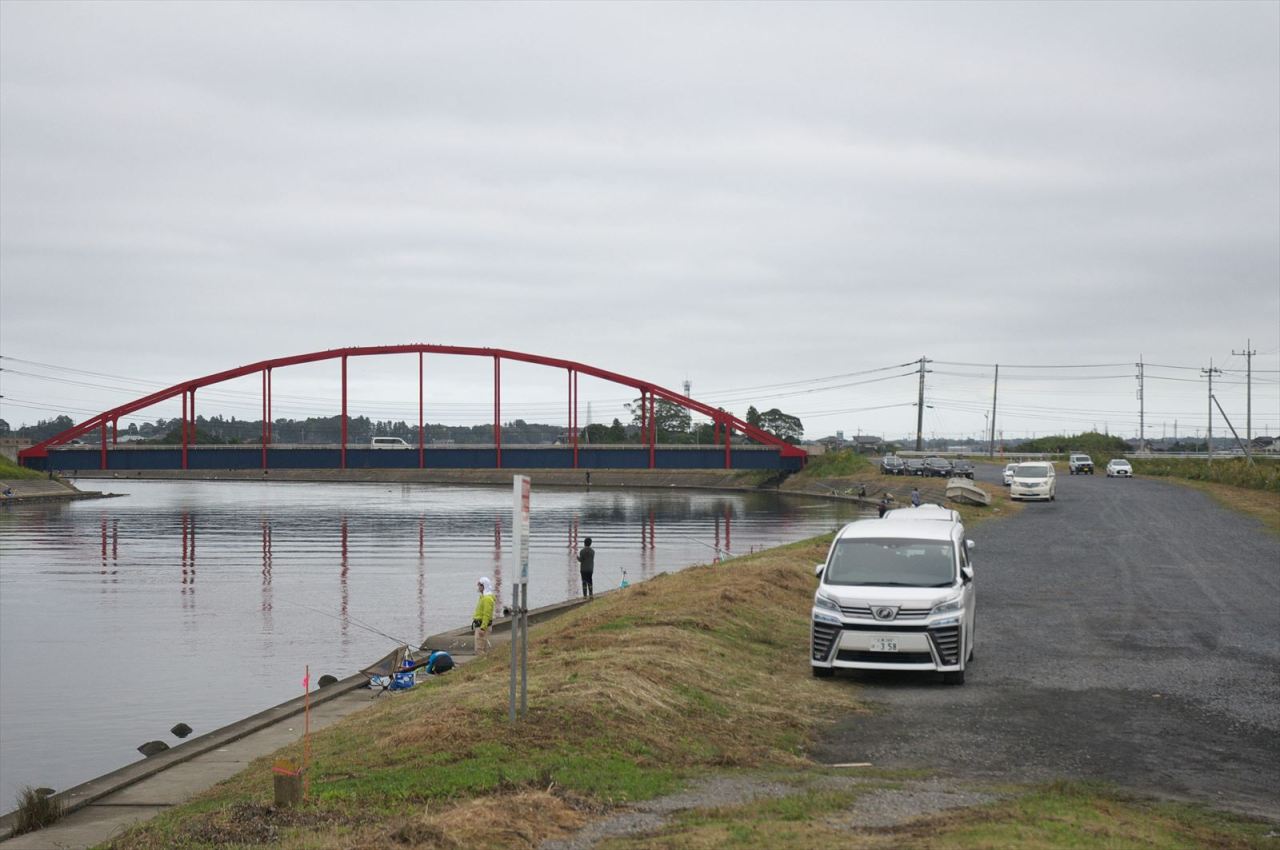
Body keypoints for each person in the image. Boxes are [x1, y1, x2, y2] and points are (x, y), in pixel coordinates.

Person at [472, 577, 495, 655]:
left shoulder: (487, 599)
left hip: (482, 626)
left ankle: (482, 663)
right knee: (483, 648)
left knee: (479, 649)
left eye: (480, 585)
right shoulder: (483, 597)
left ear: (484, 586)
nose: (478, 587)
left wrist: (483, 628)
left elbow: (486, 615)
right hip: (480, 624)